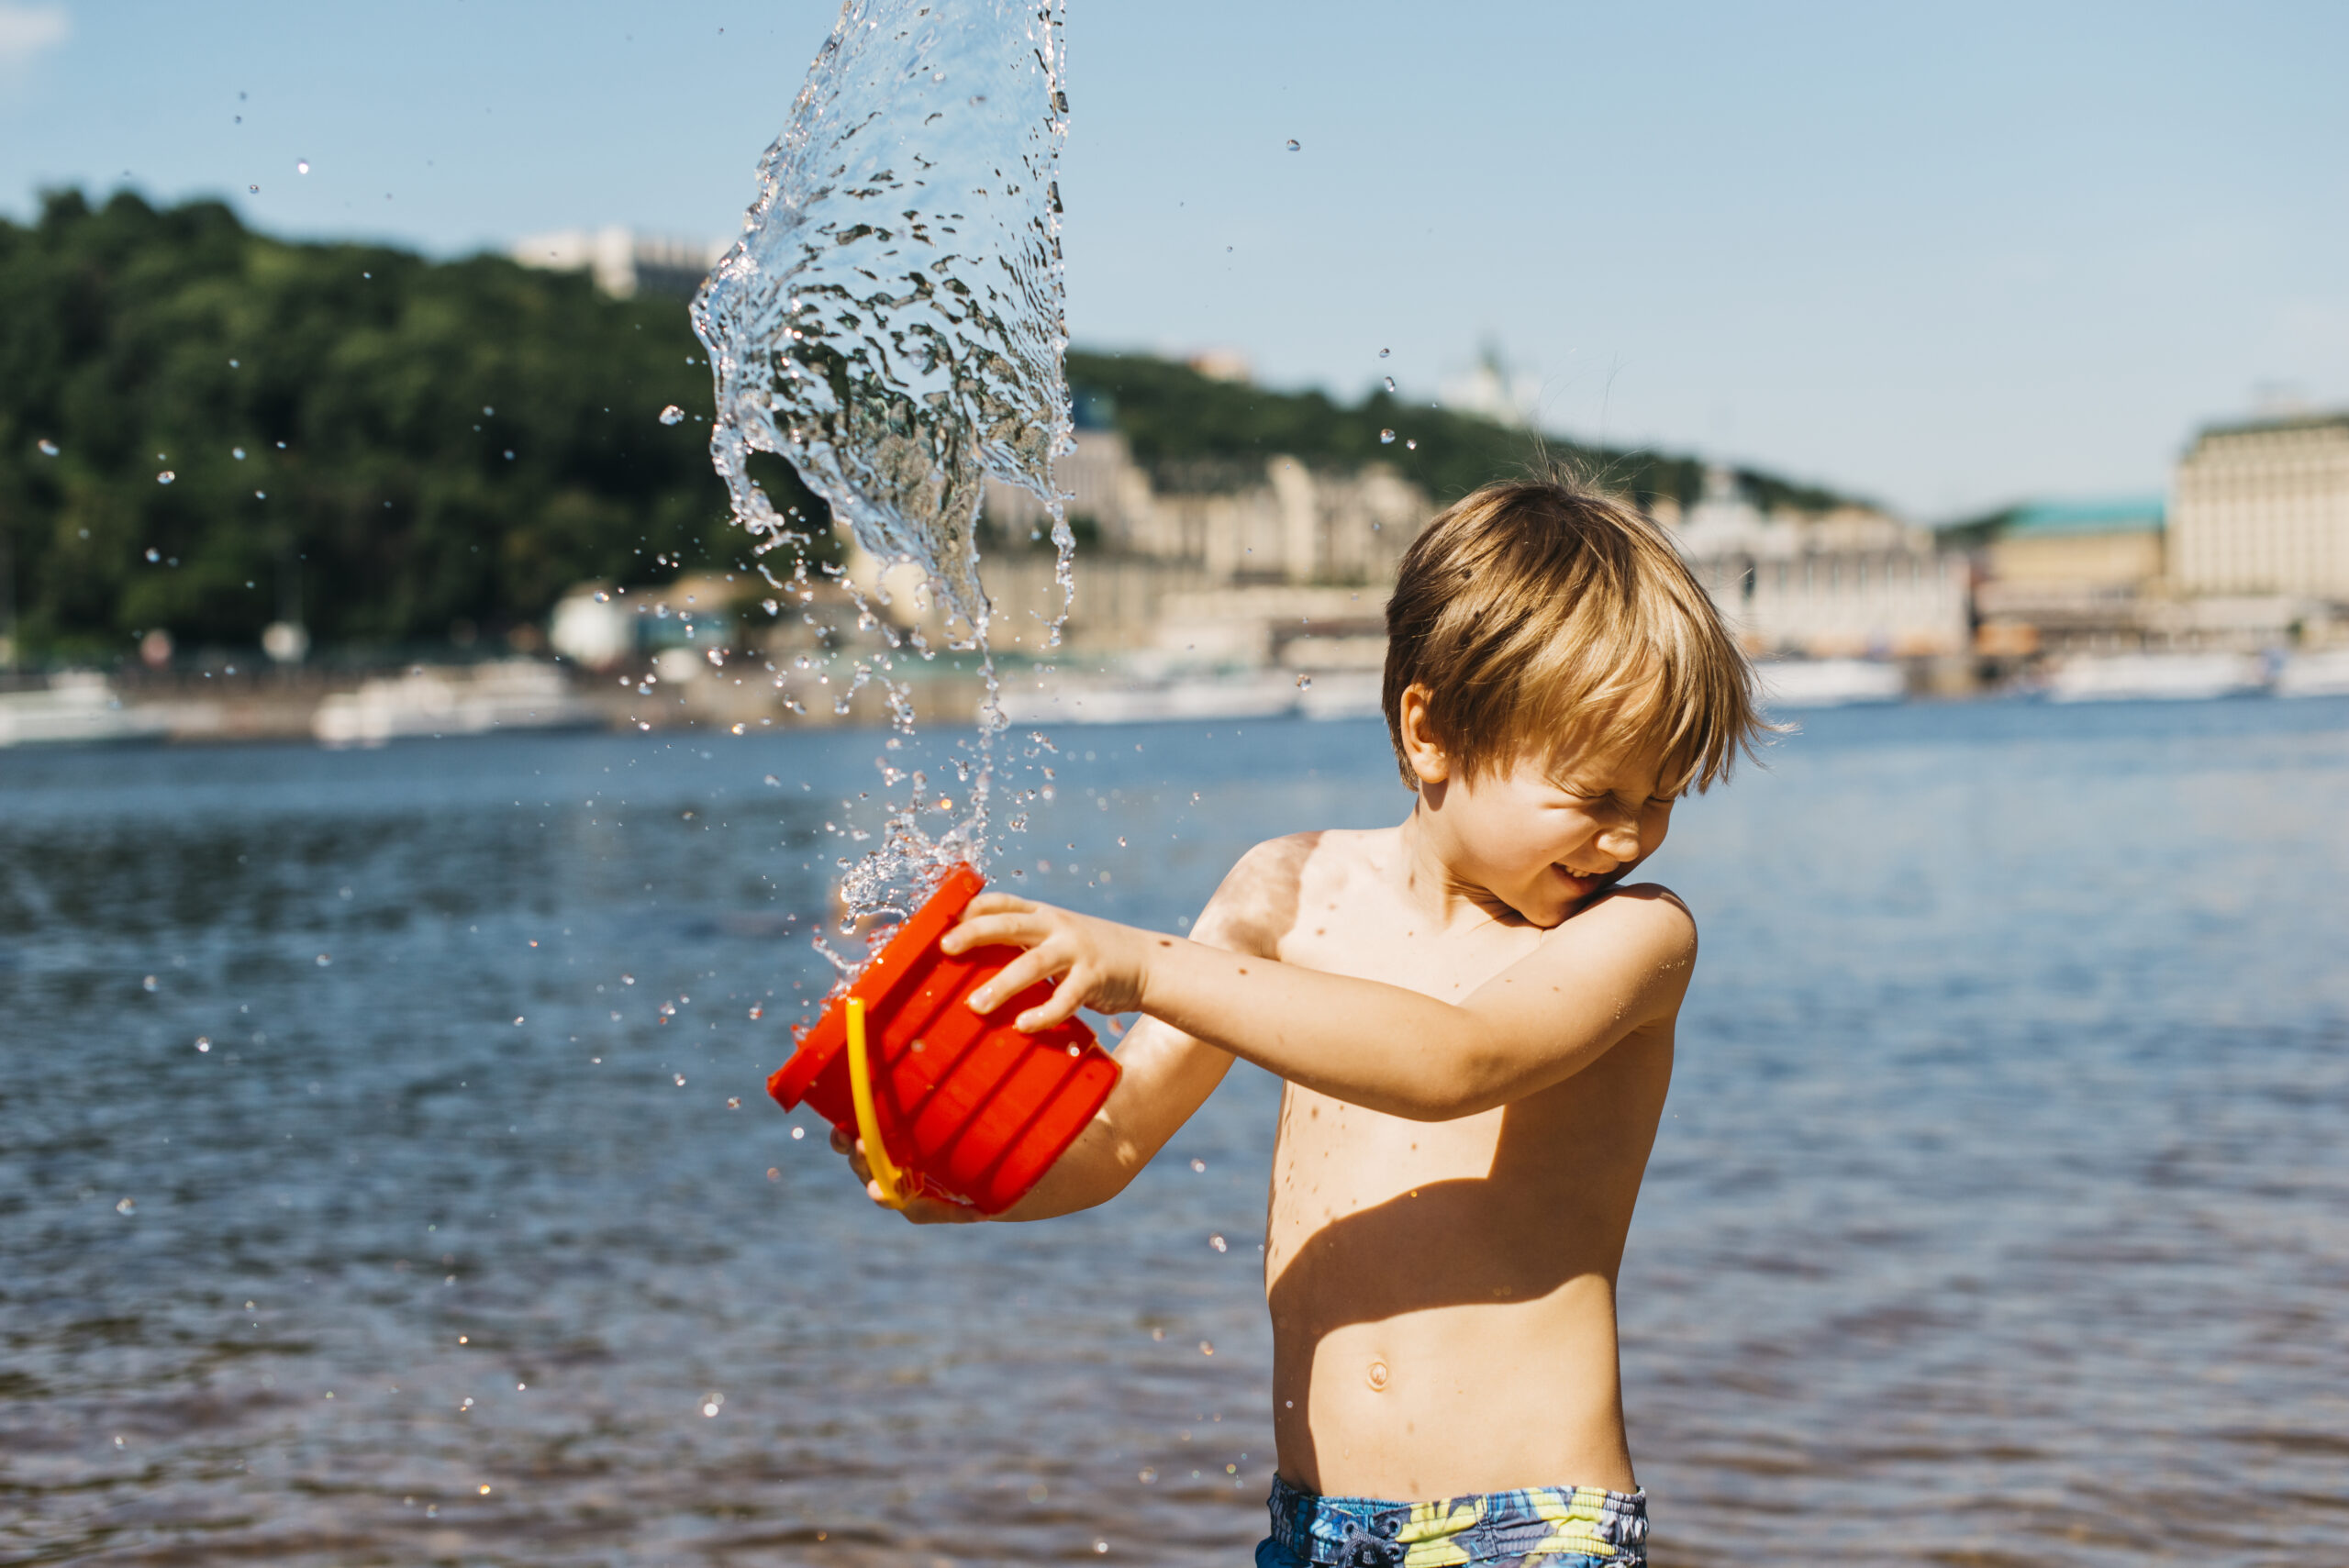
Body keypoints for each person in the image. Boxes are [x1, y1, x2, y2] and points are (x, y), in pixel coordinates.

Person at [834, 474, 1764, 1567]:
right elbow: (1117, 1134)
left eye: (1659, 797)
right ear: (1433, 732)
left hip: (1532, 1525)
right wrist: (960, 1164)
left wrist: (1140, 963)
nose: (1626, 838)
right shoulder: (1286, 889)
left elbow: (1454, 1060)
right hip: (1316, 1527)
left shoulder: (1631, 939)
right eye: (1594, 794)